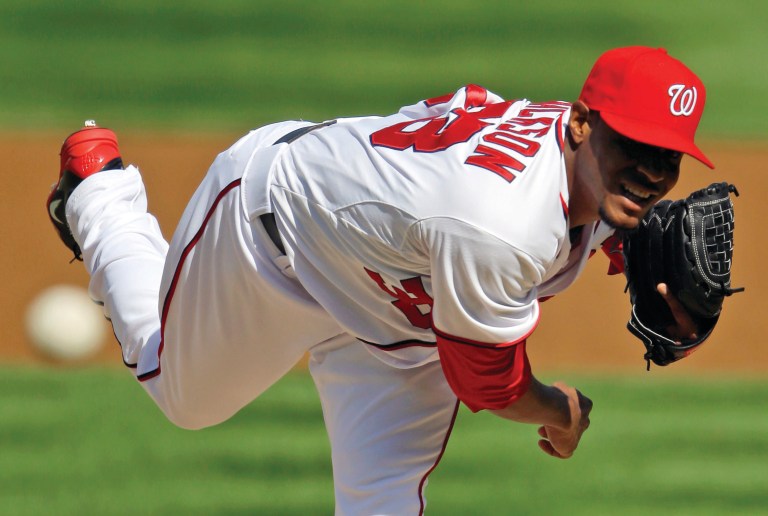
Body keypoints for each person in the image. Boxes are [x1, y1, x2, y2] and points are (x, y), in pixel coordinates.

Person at [47, 46, 711, 515]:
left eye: (667, 156)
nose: (652, 174)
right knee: (183, 396)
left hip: (400, 302)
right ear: (584, 124)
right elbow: (486, 380)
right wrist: (560, 411)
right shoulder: (498, 224)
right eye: (633, 147)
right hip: (276, 239)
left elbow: (579, 202)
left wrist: (627, 249)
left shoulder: (571, 150)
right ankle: (99, 195)